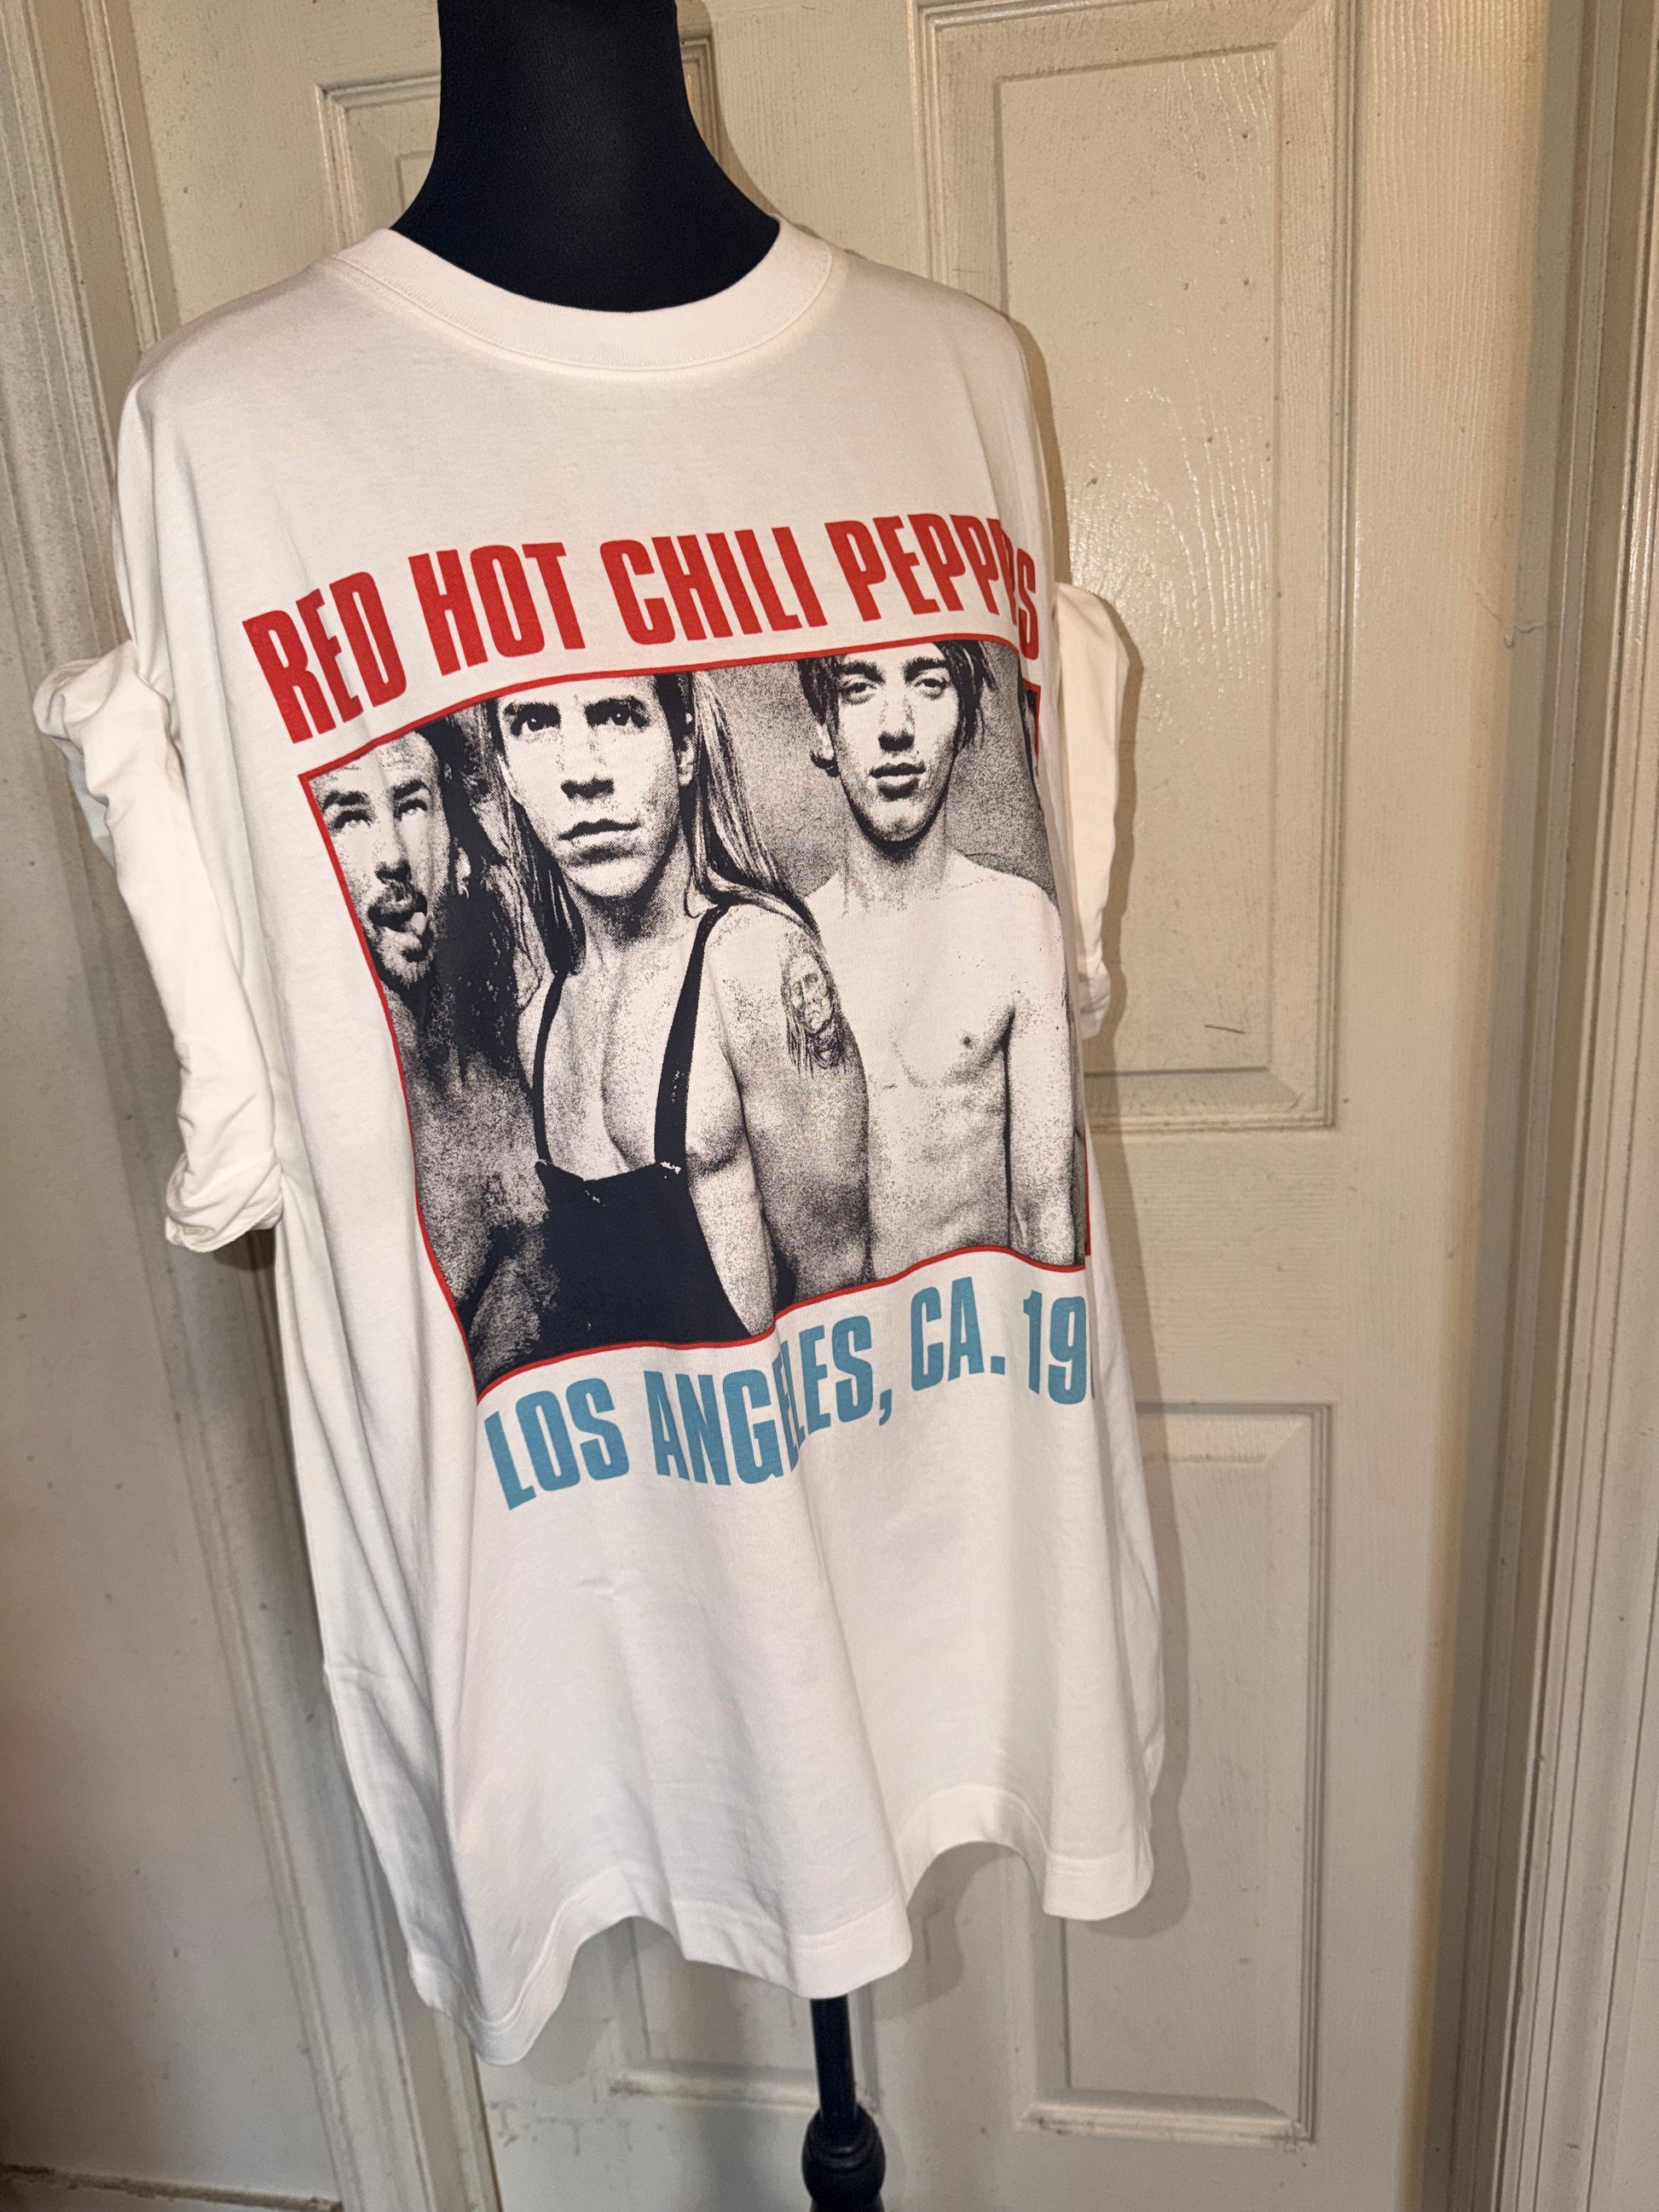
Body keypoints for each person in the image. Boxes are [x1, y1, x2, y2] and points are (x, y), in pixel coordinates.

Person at [485, 667, 869, 1359]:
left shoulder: (752, 960)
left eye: (617, 715)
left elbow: (838, 1290)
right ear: (508, 771)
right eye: (536, 723)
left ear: (684, 744)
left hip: (762, 1422)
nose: (584, 774)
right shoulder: (538, 1025)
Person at [799, 640, 1082, 1276]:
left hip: (973, 1326)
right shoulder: (787, 943)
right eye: (859, 689)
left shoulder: (1017, 920)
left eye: (928, 684)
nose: (896, 728)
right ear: (822, 729)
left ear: (964, 720)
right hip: (836, 1334)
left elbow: (1043, 1215)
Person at [310, 724, 549, 1385]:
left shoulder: (523, 1041)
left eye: (411, 805)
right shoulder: (341, 1114)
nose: (391, 854)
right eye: (349, 818)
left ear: (460, 851)